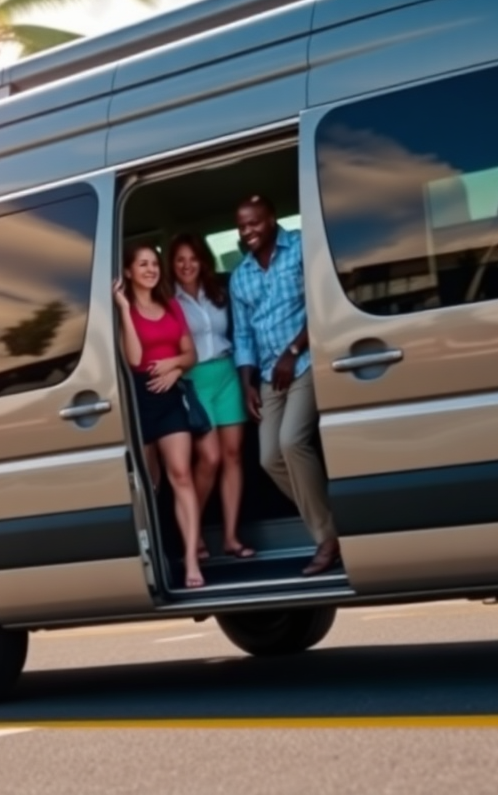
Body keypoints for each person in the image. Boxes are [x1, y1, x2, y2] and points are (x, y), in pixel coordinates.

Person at [229, 196, 340, 576]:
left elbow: (322, 305)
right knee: (268, 458)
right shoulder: (240, 276)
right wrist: (247, 384)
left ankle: (327, 538)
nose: (248, 232)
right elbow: (243, 335)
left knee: (292, 441)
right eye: (242, 226)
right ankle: (332, 521)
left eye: (254, 223)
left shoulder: (301, 248)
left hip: (305, 362)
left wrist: (293, 351)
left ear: (272, 218)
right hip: (267, 374)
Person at [113, 241, 206, 588]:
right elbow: (135, 359)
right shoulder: (123, 311)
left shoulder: (171, 305)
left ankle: (192, 562)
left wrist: (174, 366)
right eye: (143, 264)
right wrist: (125, 309)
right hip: (138, 401)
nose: (151, 269)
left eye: (154, 263)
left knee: (181, 475)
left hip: (169, 399)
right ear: (128, 271)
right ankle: (159, 558)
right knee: (150, 485)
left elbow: (191, 354)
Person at [168, 233, 254, 560]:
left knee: (233, 455)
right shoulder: (169, 299)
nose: (187, 265)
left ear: (203, 260)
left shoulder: (219, 289)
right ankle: (194, 532)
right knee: (210, 458)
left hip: (227, 373)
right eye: (180, 259)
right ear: (171, 264)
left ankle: (231, 537)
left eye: (193, 258)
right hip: (195, 379)